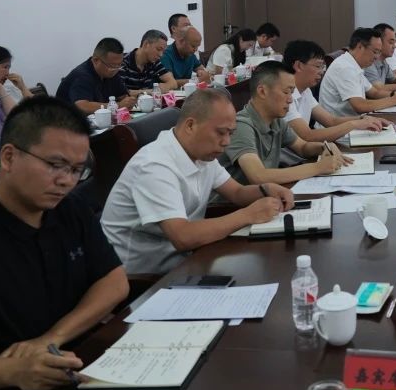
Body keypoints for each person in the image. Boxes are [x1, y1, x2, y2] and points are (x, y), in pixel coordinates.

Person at [0, 97, 128, 390]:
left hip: (78, 380)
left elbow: (114, 281)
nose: (66, 181)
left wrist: (50, 339)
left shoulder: (70, 210)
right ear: (9, 157)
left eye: (76, 170)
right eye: (55, 165)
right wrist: (14, 371)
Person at [101, 88, 295, 275]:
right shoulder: (154, 165)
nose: (227, 142)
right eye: (221, 132)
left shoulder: (201, 153)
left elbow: (236, 193)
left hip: (187, 261)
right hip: (143, 279)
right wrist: (248, 215)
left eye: (231, 133)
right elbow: (183, 237)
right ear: (190, 126)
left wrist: (266, 189)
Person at [220, 61, 350, 185]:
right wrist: (318, 167)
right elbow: (258, 176)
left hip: (266, 194)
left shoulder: (276, 121)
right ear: (262, 91)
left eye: (292, 93)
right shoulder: (241, 126)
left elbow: (302, 147)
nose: (290, 100)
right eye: (286, 92)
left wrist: (325, 147)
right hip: (237, 200)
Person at [283, 39, 390, 143]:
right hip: (300, 153)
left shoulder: (305, 91)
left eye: (322, 66)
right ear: (299, 66)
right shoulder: (284, 95)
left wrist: (363, 118)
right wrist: (354, 124)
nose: (322, 71)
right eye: (318, 66)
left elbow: (331, 121)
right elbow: (308, 136)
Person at [320, 28, 396, 116]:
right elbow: (360, 105)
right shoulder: (345, 67)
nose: (376, 57)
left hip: (353, 120)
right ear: (360, 47)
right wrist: (393, 100)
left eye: (379, 52)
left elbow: (374, 92)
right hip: (340, 124)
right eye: (375, 52)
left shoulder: (354, 64)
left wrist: (394, 94)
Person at [55, 38, 132, 113]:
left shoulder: (112, 73)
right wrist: (117, 105)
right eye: (112, 66)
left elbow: (122, 96)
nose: (116, 69)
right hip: (67, 118)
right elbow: (82, 106)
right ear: (96, 60)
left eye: (119, 65)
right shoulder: (82, 76)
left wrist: (128, 102)